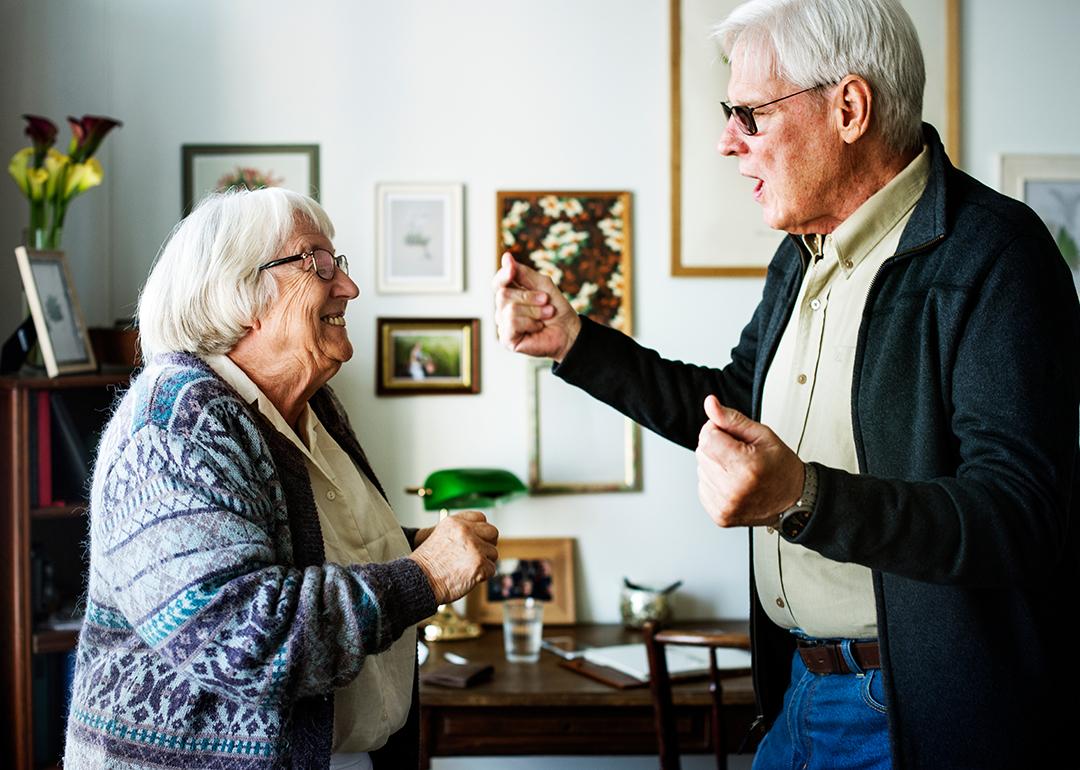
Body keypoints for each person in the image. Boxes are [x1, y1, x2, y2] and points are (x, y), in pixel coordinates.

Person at [493, 0, 1080, 767]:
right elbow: (728, 409)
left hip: (912, 718)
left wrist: (802, 499)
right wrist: (574, 344)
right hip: (797, 692)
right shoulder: (800, 255)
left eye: (748, 114)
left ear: (849, 108)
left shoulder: (996, 254)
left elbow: (1019, 516)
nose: (725, 141)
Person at [65, 188, 499, 770]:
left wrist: (403, 545)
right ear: (243, 293)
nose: (348, 287)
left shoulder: (311, 406)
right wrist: (423, 577)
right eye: (317, 263)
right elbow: (242, 638)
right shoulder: (175, 428)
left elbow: (294, 544)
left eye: (337, 264)